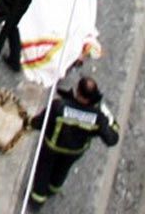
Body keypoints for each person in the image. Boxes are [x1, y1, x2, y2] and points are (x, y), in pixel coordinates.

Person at [29, 77, 119, 206]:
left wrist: (29, 124)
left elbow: (40, 122)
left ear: (77, 90)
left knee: (44, 170)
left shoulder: (59, 106)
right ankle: (53, 188)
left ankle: (37, 199)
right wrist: (110, 122)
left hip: (52, 148)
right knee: (62, 169)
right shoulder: (98, 117)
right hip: (75, 151)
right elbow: (112, 139)